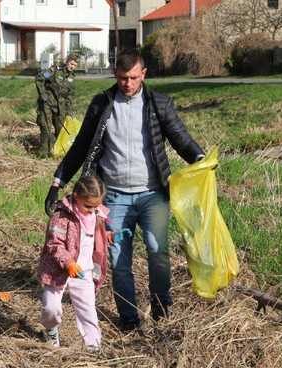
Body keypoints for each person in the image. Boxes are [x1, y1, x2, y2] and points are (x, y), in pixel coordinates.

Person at [44, 50, 205, 330]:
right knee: (118, 259)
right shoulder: (102, 104)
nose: (127, 84)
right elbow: (81, 146)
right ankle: (129, 318)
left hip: (152, 194)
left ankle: (161, 307)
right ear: (115, 75)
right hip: (114, 197)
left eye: (132, 78)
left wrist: (200, 159)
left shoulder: (158, 104)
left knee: (157, 251)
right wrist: (58, 181)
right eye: (121, 78)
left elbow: (180, 137)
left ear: (143, 74)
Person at [38, 175, 109, 351]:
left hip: (83, 270)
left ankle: (94, 346)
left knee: (88, 312)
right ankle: (51, 329)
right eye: (88, 206)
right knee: (51, 308)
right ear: (76, 196)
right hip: (58, 270)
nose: (92, 210)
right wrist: (68, 262)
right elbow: (54, 243)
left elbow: (94, 238)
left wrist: (108, 236)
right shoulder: (61, 216)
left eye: (95, 206)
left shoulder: (97, 214)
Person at [35, 54, 78, 156]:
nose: (72, 67)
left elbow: (69, 96)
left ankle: (56, 152)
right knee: (46, 128)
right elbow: (39, 79)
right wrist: (43, 95)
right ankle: (43, 154)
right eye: (71, 63)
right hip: (48, 104)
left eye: (75, 65)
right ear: (67, 61)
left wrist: (69, 111)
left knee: (61, 130)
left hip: (60, 107)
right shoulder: (54, 70)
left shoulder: (72, 77)